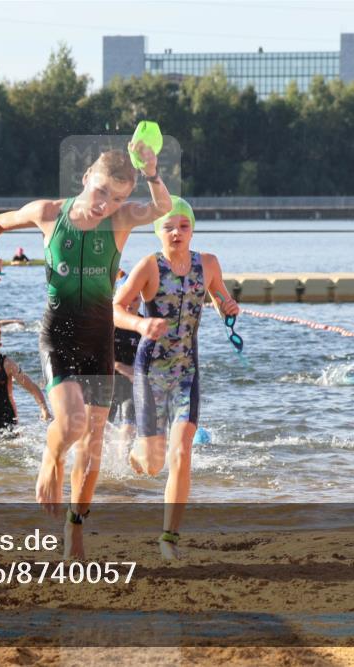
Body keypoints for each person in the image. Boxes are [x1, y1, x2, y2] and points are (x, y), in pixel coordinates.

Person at [0, 142, 171, 557]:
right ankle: (50, 460)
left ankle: (75, 529)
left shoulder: (119, 221)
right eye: (101, 192)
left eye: (117, 197)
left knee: (94, 439)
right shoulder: (49, 213)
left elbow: (161, 207)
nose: (106, 204)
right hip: (59, 333)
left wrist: (153, 172)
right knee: (71, 424)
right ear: (86, 179)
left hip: (98, 336)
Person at [113, 196, 239, 559]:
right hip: (150, 371)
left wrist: (229, 309)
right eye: (168, 226)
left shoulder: (209, 264)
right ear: (158, 232)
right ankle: (137, 455)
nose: (177, 232)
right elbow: (116, 309)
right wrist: (140, 323)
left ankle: (169, 537)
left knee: (182, 451)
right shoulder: (148, 266)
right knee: (153, 464)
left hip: (187, 371)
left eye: (184, 226)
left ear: (192, 230)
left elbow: (220, 301)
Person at [109, 275, 142, 452]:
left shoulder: (144, 325)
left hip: (131, 387)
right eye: (126, 298)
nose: (130, 303)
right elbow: (98, 355)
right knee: (98, 431)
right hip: (106, 383)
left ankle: (122, 471)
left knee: (128, 430)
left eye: (135, 297)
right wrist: (123, 368)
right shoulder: (110, 324)